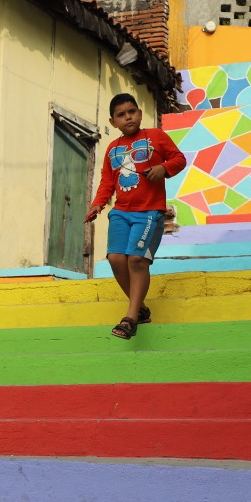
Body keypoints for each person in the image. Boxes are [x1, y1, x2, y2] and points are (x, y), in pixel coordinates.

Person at [85, 93, 186, 339]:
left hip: (149, 212)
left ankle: (130, 318)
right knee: (115, 258)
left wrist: (163, 168)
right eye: (121, 115)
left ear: (140, 113)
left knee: (137, 260)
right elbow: (107, 182)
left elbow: (179, 159)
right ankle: (140, 308)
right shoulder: (112, 148)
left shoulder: (156, 136)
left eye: (132, 111)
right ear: (113, 122)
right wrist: (97, 204)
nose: (128, 117)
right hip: (121, 213)